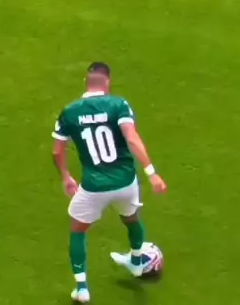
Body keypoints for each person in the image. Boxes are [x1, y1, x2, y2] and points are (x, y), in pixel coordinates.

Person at [52, 61, 167, 302]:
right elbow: (132, 138)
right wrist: (152, 173)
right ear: (108, 81)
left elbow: (57, 150)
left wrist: (66, 176)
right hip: (126, 181)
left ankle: (82, 288)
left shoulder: (70, 112)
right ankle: (137, 260)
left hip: (93, 186)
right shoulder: (118, 105)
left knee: (78, 230)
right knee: (131, 217)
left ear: (87, 82)